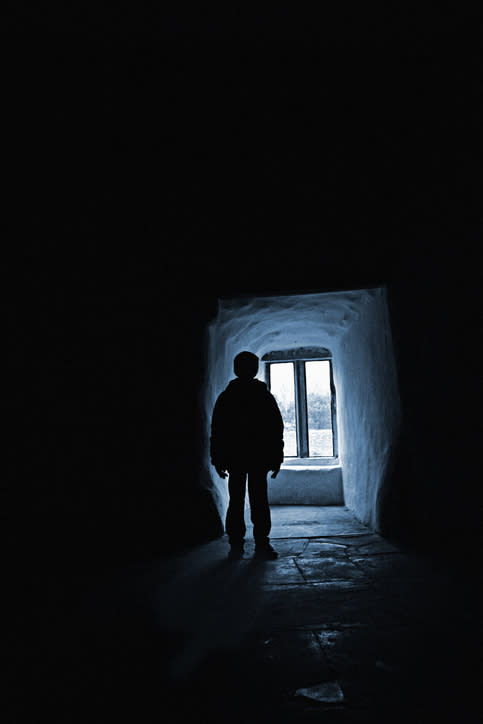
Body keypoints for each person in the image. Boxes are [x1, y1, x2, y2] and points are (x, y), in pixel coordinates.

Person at [210, 351, 284, 559]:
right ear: (255, 369)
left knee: (237, 500)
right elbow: (275, 428)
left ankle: (236, 546)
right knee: (258, 500)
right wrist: (276, 456)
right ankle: (261, 544)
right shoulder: (263, 396)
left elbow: (218, 430)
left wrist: (218, 458)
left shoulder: (227, 397)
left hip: (236, 457)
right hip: (257, 457)